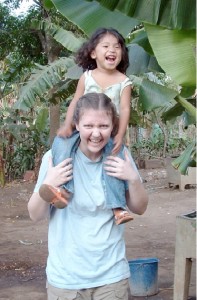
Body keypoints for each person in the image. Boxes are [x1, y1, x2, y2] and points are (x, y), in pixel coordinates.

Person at [28, 93, 148, 300]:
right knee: (57, 192)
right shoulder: (55, 159)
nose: (96, 134)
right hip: (66, 280)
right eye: (88, 126)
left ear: (113, 127)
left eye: (103, 126)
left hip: (111, 276)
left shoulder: (121, 157)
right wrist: (49, 183)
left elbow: (140, 208)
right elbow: (35, 215)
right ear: (76, 124)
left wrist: (133, 178)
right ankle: (61, 193)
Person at [39, 27, 134, 225]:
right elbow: (75, 102)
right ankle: (63, 189)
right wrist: (67, 125)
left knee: (113, 164)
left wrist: (121, 134)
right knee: (61, 143)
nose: (113, 50)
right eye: (106, 46)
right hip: (83, 128)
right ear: (93, 53)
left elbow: (124, 109)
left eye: (117, 47)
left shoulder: (124, 81)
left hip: (109, 131)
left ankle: (118, 207)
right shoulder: (87, 77)